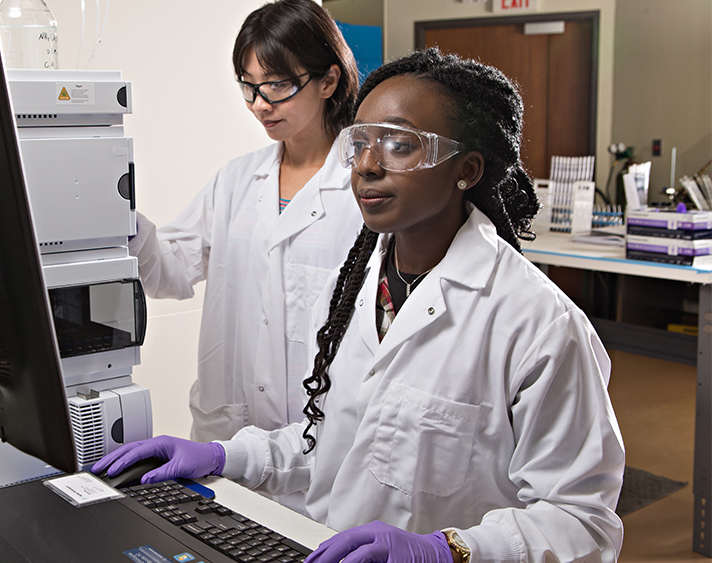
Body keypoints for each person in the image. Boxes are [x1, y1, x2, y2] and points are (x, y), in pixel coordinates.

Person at [94, 48, 625, 562]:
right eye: (361, 142)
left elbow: (583, 519)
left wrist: (451, 550)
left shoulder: (537, 323)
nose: (367, 166)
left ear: (466, 168)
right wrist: (224, 455)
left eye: (399, 145)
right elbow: (328, 447)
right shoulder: (351, 291)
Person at [131, 0, 362, 443]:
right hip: (229, 433)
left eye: (276, 85)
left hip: (319, 443)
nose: (260, 105)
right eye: (249, 87)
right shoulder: (237, 180)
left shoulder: (362, 187)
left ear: (329, 80)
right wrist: (118, 217)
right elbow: (169, 272)